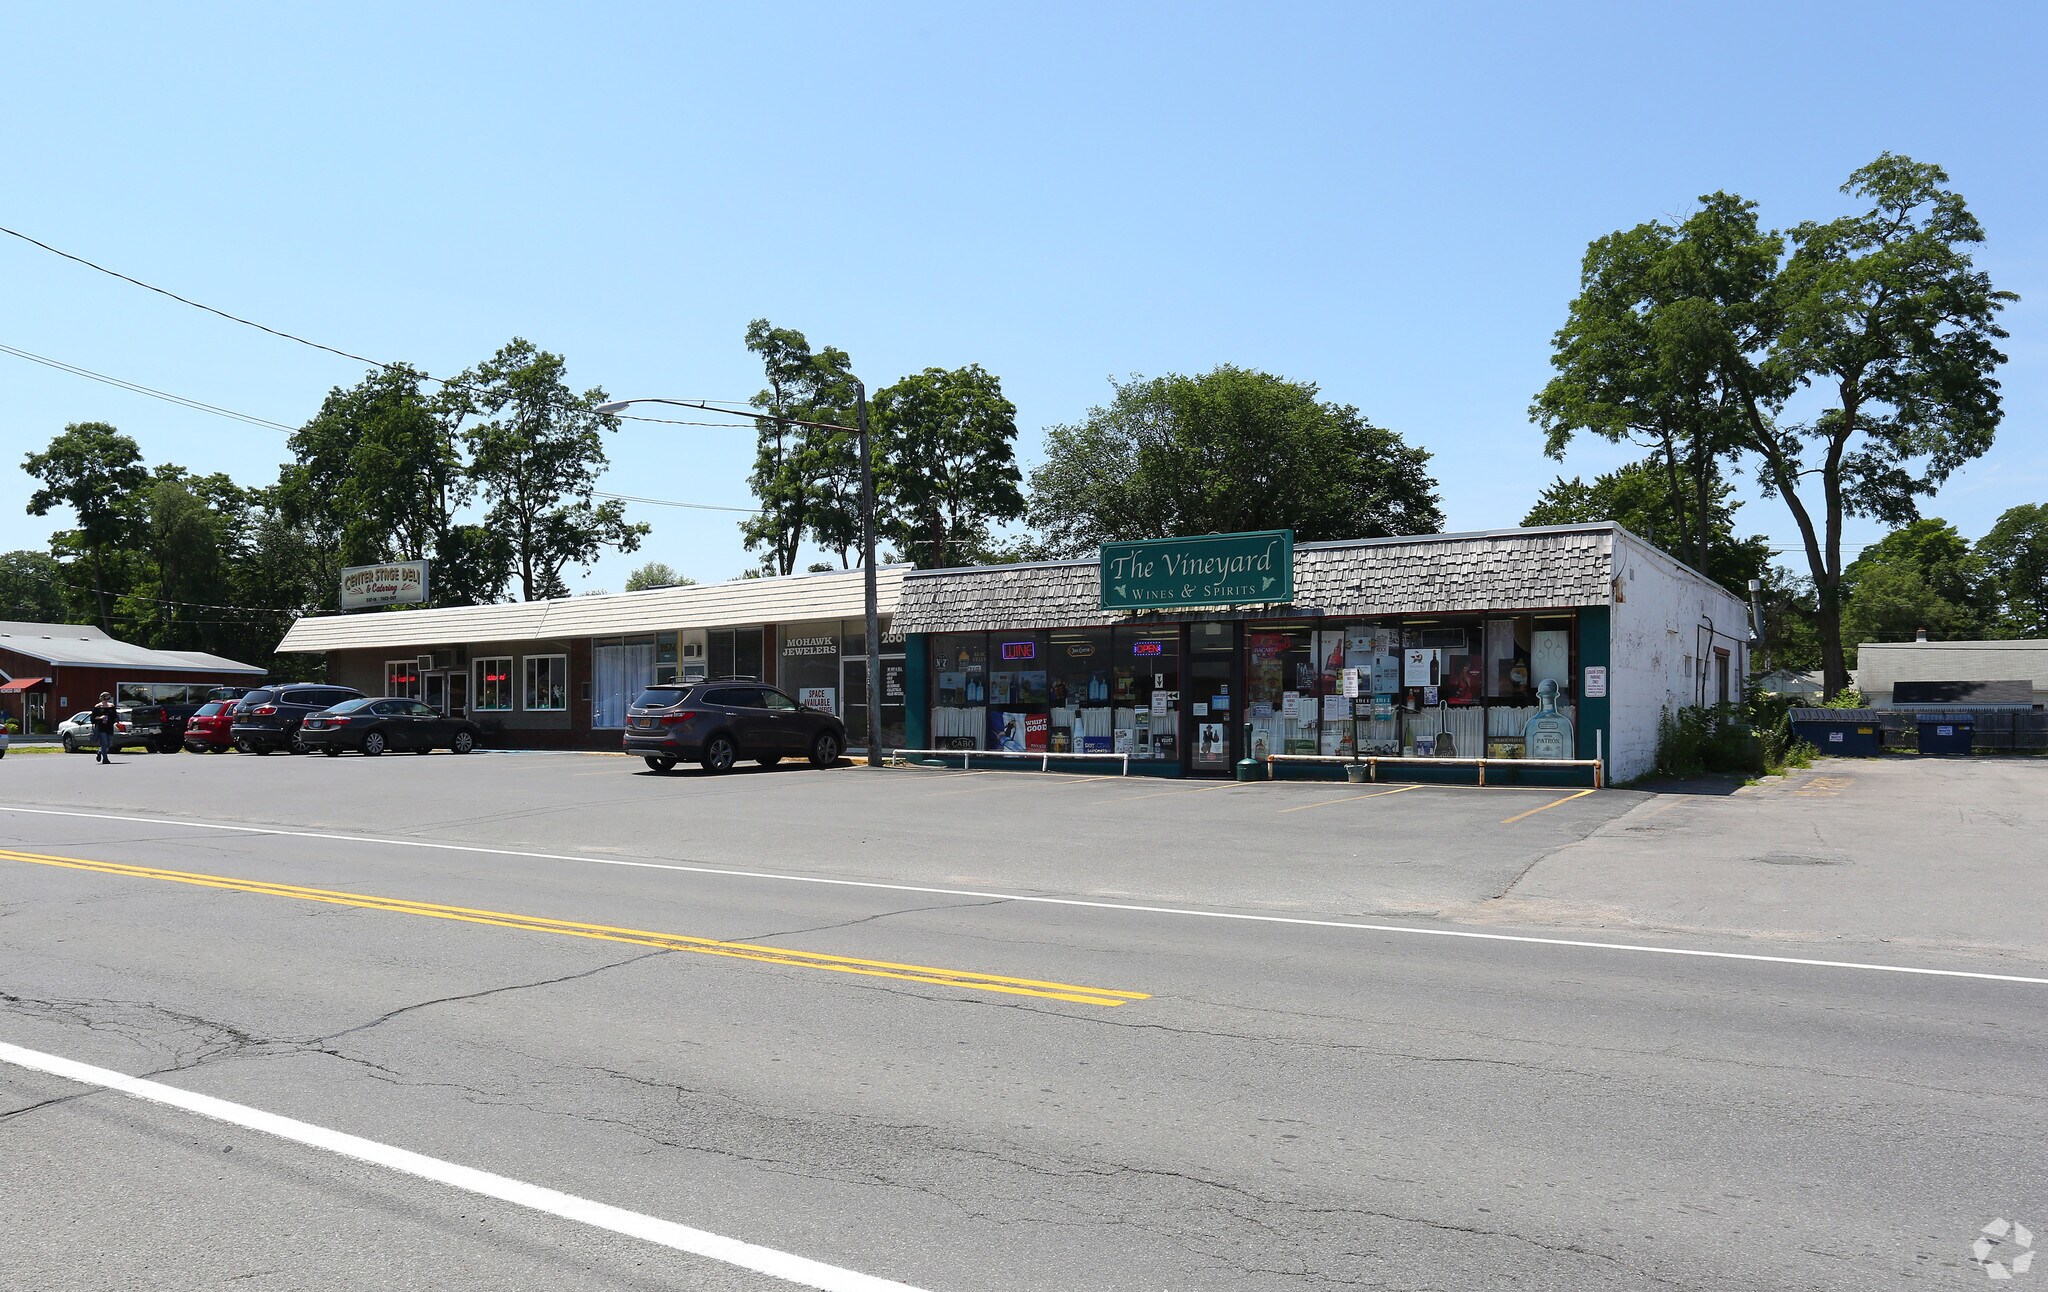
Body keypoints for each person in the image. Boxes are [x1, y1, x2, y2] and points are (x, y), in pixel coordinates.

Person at [89, 692, 120, 764]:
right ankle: (105, 759)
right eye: (106, 698)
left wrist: (116, 720)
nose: (107, 699)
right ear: (102, 698)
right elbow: (93, 718)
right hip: (101, 727)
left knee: (109, 743)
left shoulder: (111, 706)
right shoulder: (98, 706)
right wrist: (100, 717)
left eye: (108, 698)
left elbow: (115, 715)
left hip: (109, 726)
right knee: (104, 743)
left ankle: (100, 751)